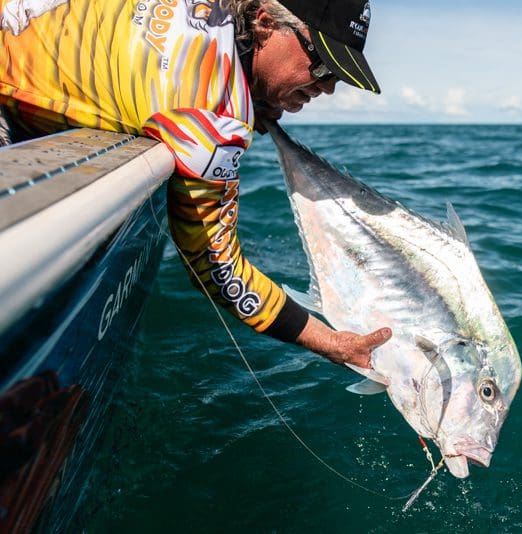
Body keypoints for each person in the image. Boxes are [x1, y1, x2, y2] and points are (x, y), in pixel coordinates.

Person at [0, 0, 391, 368]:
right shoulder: (214, 119)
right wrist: (331, 342)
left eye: (336, 76)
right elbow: (219, 269)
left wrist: (256, 100)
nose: (328, 86)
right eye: (321, 65)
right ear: (265, 23)